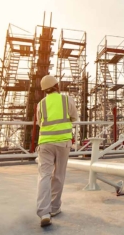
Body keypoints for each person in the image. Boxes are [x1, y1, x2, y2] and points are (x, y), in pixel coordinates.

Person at [36, 75, 79, 227]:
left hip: (45, 143)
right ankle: (54, 208)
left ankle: (44, 212)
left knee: (44, 176)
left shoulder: (41, 104)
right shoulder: (67, 100)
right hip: (63, 143)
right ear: (57, 86)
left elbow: (39, 122)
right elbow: (75, 118)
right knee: (59, 175)